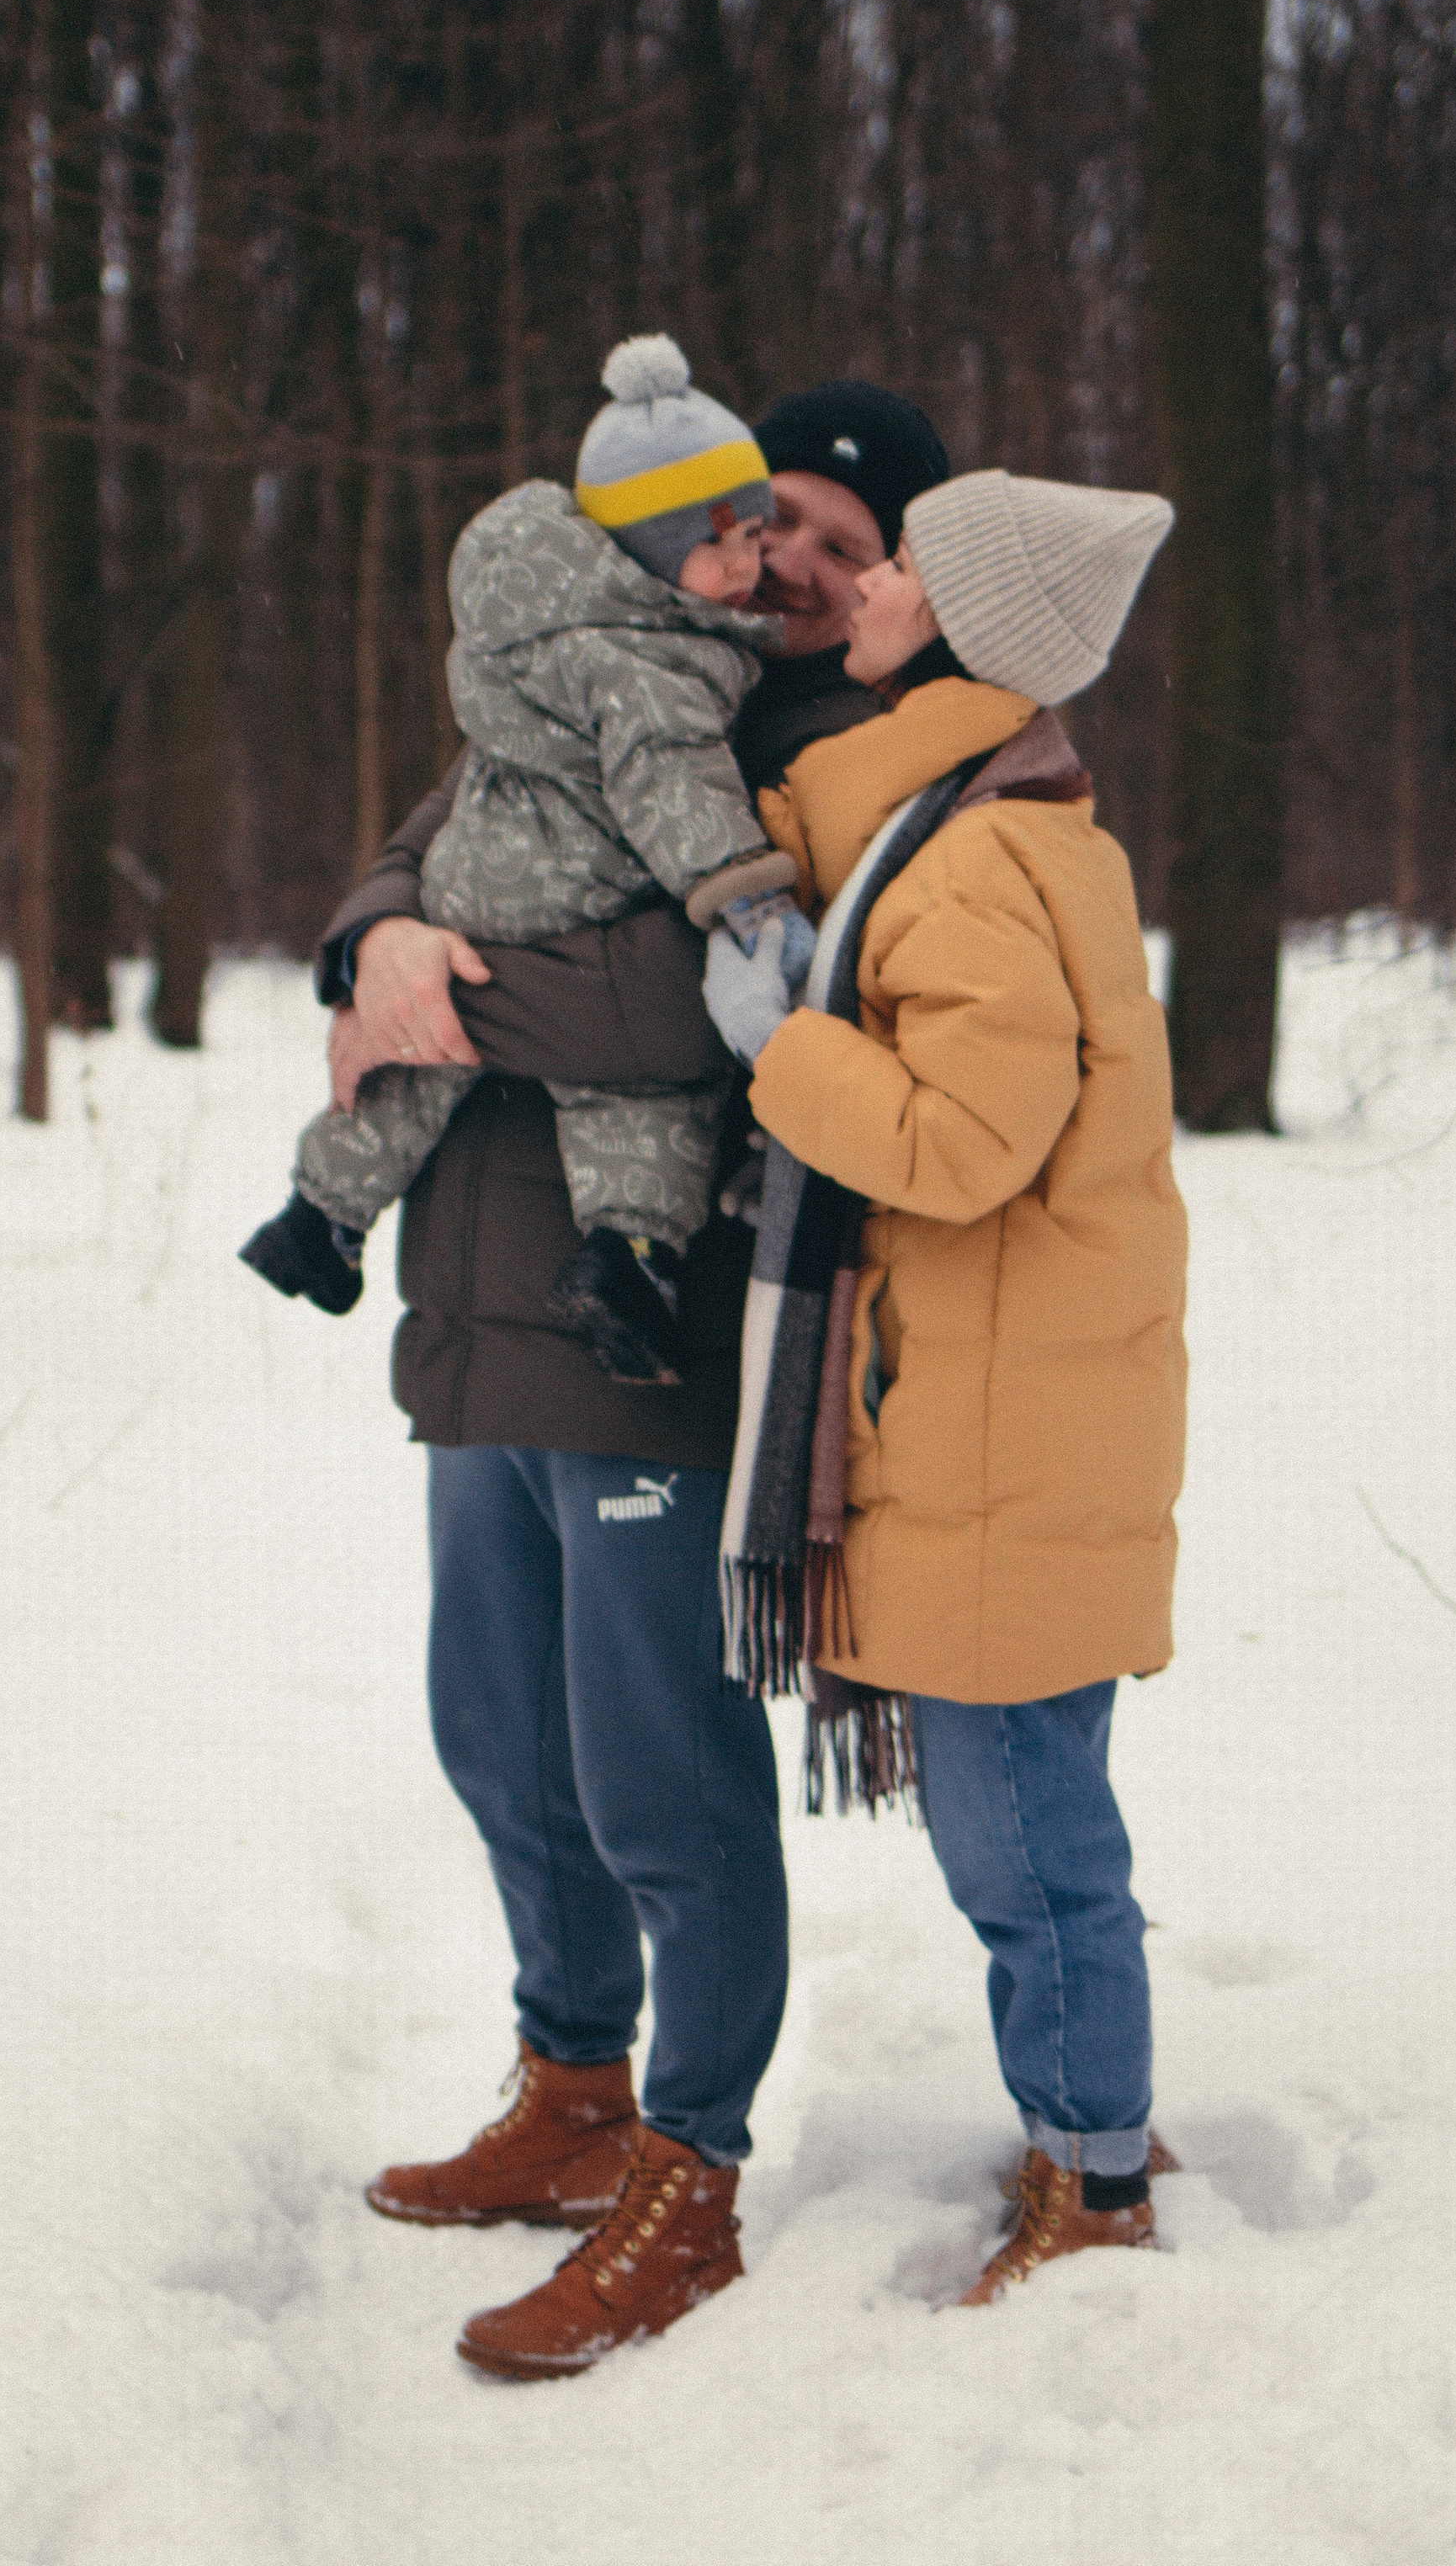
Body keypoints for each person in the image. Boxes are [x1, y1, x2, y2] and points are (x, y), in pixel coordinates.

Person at [309, 383, 949, 2381]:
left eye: (841, 551)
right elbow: (402, 860)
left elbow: (699, 1021)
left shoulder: (830, 748)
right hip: (472, 1305)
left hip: (650, 1318)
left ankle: (690, 2163)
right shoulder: (593, 660)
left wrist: (442, 993)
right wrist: (377, 939)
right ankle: (570, 2087)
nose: (791, 571)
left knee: (651, 1769)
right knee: (497, 1739)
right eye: (772, 528)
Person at [701, 468, 1188, 2308]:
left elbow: (965, 1142)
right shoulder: (983, 816)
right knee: (1035, 1813)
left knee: (1022, 1846)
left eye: (901, 561)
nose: (869, 577)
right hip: (1020, 1405)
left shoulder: (969, 853)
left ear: (959, 625)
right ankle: (1093, 2120)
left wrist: (789, 1051)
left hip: (1000, 1426)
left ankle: (1092, 2178)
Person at [245, 336, 799, 1384]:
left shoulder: (531, 623)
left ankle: (321, 1213)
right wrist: (738, 890)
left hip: (471, 877)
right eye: (722, 545)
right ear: (642, 547)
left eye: (755, 539)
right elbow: (672, 779)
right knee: (633, 1104)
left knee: (412, 1067)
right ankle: (630, 1252)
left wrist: (390, 931)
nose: (749, 569)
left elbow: (450, 794)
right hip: (578, 895)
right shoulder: (657, 660)